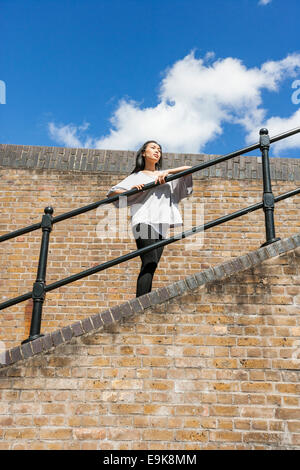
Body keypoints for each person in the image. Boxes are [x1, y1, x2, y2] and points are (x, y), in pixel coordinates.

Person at [106, 140, 193, 298]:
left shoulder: (166, 175)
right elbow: (112, 194)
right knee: (149, 261)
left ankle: (143, 302)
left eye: (159, 149)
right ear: (144, 153)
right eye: (153, 148)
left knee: (151, 265)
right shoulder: (136, 176)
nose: (157, 151)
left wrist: (169, 172)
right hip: (142, 221)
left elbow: (189, 170)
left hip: (162, 225)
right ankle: (140, 304)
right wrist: (130, 190)